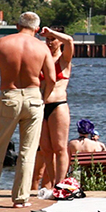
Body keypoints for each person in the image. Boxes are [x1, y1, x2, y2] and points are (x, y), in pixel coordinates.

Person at [0, 11, 55, 209]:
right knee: (28, 152)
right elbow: (51, 79)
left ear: (17, 26)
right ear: (37, 29)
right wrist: (44, 98)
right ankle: (20, 199)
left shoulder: (3, 44)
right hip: (34, 98)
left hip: (9, 96)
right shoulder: (42, 48)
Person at [36, 26, 74, 191]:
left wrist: (51, 32)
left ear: (59, 40)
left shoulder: (64, 59)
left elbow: (70, 40)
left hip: (58, 105)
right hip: (41, 106)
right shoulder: (42, 59)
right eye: (47, 39)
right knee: (46, 149)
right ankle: (53, 184)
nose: (50, 42)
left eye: (52, 39)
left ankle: (61, 183)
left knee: (59, 148)